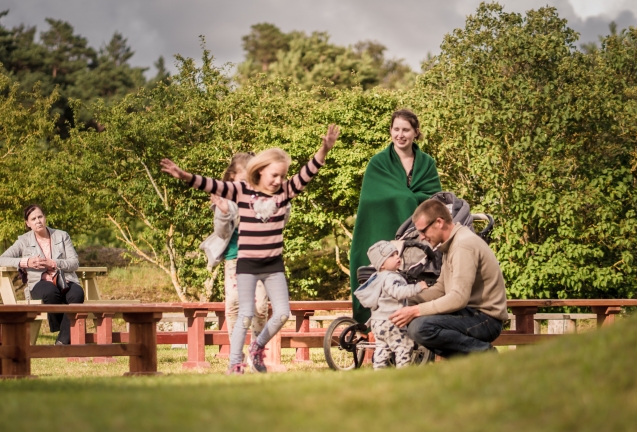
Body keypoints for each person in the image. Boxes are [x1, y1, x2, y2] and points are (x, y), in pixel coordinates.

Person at [161, 124, 340, 375]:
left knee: (282, 314)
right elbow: (212, 185)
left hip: (273, 265)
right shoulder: (243, 192)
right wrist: (185, 176)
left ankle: (257, 347)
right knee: (244, 313)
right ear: (260, 172)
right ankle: (235, 363)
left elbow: (308, 173)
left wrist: (324, 149)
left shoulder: (285, 194)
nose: (278, 181)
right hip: (246, 265)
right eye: (273, 175)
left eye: (282, 176)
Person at [350, 109, 441, 326]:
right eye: (396, 129)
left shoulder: (427, 163)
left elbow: (434, 198)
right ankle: (374, 326)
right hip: (382, 230)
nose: (400, 134)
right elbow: (372, 200)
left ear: (416, 132)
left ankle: (417, 325)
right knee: (385, 281)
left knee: (416, 279)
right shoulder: (378, 163)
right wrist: (407, 199)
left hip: (418, 235)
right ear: (390, 131)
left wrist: (411, 200)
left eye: (406, 130)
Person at [389, 199, 507, 357]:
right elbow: (441, 289)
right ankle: (468, 366)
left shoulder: (463, 245)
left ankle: (486, 355)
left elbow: (459, 298)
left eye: (423, 231)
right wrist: (407, 301)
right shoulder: (451, 245)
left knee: (421, 327)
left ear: (439, 222)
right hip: (470, 313)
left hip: (486, 319)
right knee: (416, 324)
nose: (422, 237)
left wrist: (416, 310)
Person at [199, 153, 269, 343]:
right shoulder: (225, 202)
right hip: (234, 259)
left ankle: (257, 350)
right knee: (233, 304)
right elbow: (221, 233)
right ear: (232, 179)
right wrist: (223, 213)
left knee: (260, 307)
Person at [0, 204, 84, 345]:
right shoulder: (23, 241)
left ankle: (62, 341)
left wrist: (53, 263)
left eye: (40, 217)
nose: (38, 221)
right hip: (40, 283)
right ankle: (63, 326)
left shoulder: (62, 236)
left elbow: (74, 262)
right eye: (33, 219)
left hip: (65, 279)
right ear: (28, 223)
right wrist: (27, 262)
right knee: (50, 292)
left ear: (45, 218)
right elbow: (2, 259)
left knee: (77, 295)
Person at [354, 240, 428, 369]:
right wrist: (418, 287)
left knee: (382, 348)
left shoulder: (376, 278)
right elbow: (398, 292)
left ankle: (379, 370)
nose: (397, 257)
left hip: (377, 323)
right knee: (403, 346)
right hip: (392, 321)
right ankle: (403, 371)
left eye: (396, 254)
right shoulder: (391, 277)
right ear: (381, 264)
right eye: (392, 256)